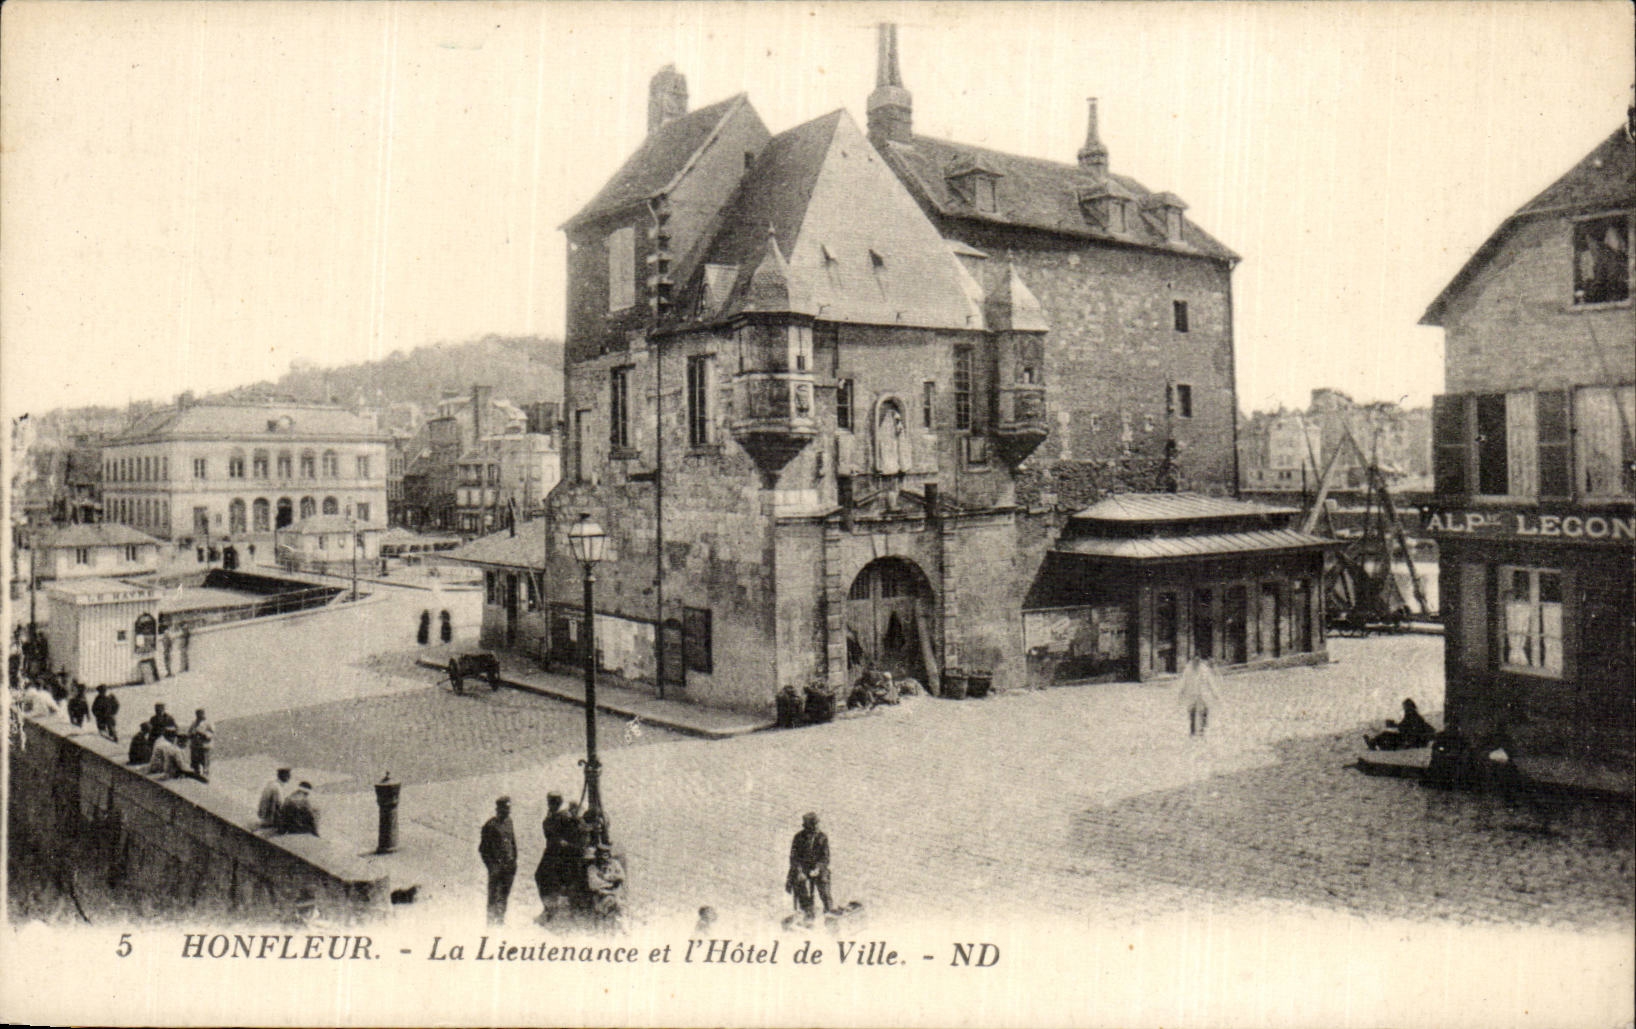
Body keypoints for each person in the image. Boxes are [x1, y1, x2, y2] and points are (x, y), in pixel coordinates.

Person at [534, 793, 577, 920]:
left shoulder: (564, 816)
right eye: (550, 803)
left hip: (561, 854)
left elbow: (573, 834)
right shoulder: (553, 816)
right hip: (552, 852)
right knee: (540, 876)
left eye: (552, 803)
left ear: (556, 803)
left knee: (548, 879)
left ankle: (552, 909)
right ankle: (549, 908)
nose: (550, 805)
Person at [786, 812, 835, 923]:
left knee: (824, 880)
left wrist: (817, 868)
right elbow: (794, 858)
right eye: (813, 825)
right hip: (803, 868)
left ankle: (829, 911)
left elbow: (825, 858)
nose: (816, 827)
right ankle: (808, 911)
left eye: (817, 824)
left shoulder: (822, 837)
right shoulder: (798, 837)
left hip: (818, 868)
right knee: (800, 881)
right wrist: (799, 871)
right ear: (807, 826)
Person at [480, 796, 518, 925]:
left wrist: (514, 861)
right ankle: (490, 925)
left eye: (508, 808)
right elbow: (483, 850)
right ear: (498, 809)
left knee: (504, 897)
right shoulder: (490, 826)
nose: (507, 811)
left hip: (509, 868)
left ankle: (500, 922)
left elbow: (513, 843)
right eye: (504, 808)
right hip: (497, 869)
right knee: (494, 898)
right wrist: (492, 867)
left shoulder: (509, 822)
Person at [1366, 698, 1436, 751]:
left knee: (1386, 735)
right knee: (1387, 735)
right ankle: (1374, 744)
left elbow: (1404, 727)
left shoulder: (1412, 716)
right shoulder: (1414, 716)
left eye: (1405, 707)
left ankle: (1373, 744)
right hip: (1410, 740)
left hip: (1409, 741)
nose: (1404, 709)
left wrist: (1393, 725)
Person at [1177, 657, 1223, 737]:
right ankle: (1192, 730)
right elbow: (1183, 682)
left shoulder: (1204, 669)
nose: (1196, 663)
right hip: (1192, 693)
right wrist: (1181, 693)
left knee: (1204, 710)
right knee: (1192, 711)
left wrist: (1215, 694)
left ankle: (1202, 728)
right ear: (1192, 661)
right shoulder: (1188, 670)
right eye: (1194, 661)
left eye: (1198, 661)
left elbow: (1210, 682)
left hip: (1203, 693)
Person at [585, 844, 626, 926]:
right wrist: (611, 883)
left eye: (606, 855)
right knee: (606, 910)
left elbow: (621, 876)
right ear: (597, 856)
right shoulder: (592, 868)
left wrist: (606, 877)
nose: (604, 858)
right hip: (601, 897)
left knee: (620, 908)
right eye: (601, 855)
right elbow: (593, 885)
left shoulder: (615, 864)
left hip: (616, 894)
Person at [188, 708, 215, 780]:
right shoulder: (194, 723)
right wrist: (192, 734)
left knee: (205, 763)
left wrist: (203, 734)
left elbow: (212, 734)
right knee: (195, 764)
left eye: (201, 713)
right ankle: (196, 776)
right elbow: (189, 732)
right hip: (195, 746)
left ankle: (206, 777)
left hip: (204, 746)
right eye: (197, 714)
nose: (199, 715)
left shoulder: (208, 723)